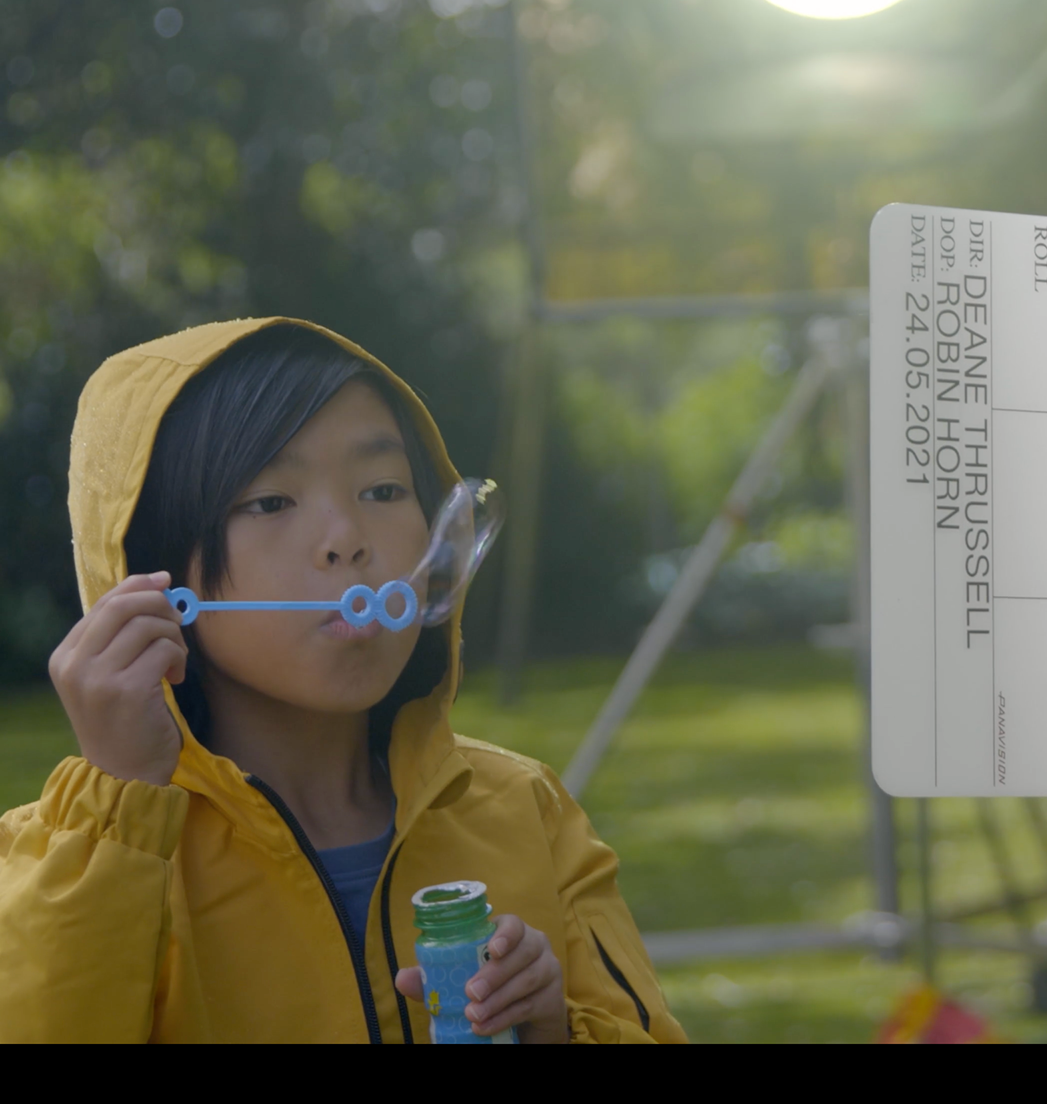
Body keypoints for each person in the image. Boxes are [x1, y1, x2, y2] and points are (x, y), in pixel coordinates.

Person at [0, 318, 687, 1043]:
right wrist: (115, 811)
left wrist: (551, 1030)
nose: (347, 540)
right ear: (149, 566)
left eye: (383, 489)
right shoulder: (72, 859)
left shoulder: (526, 811)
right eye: (271, 501)